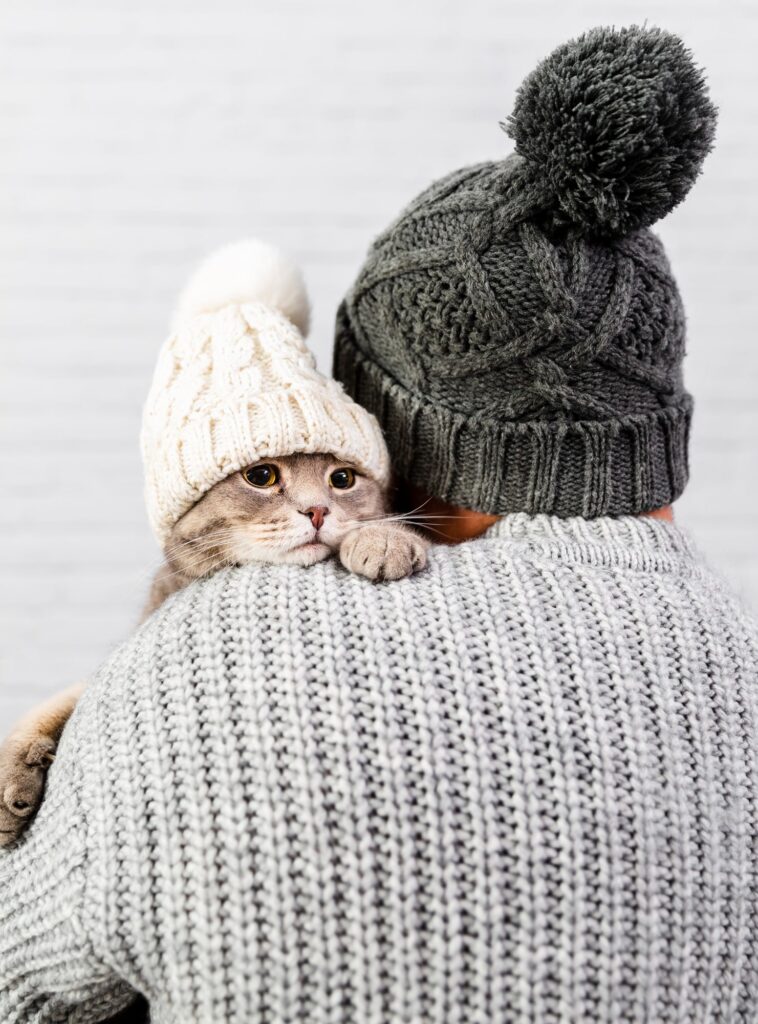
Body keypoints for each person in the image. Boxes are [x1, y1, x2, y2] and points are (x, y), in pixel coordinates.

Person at [3, 25, 758, 1024]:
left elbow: (21, 983)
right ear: (658, 453)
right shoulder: (736, 664)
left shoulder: (188, 666)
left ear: (394, 441)